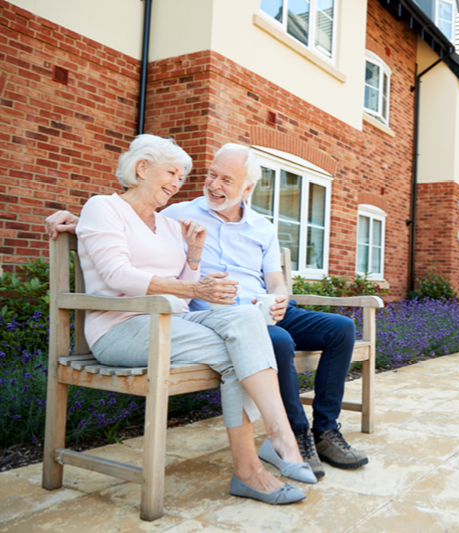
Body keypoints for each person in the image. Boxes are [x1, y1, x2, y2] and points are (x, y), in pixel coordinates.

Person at [46, 143, 368, 479]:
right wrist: (79, 220)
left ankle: (324, 432)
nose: (214, 185)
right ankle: (292, 437)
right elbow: (126, 224)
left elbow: (274, 280)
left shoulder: (255, 226)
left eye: (226, 180)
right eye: (211, 175)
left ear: (247, 189)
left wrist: (279, 296)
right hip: (200, 316)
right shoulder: (178, 213)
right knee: (274, 341)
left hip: (256, 309)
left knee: (341, 328)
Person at [72, 134, 315, 506]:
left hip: (172, 325)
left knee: (246, 320)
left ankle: (273, 444)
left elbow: (186, 286)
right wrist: (194, 290)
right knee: (241, 351)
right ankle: (266, 455)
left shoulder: (170, 225)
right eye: (171, 172)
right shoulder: (103, 207)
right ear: (142, 168)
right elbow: (116, 274)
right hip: (120, 328)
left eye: (182, 177)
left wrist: (195, 257)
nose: (177, 184)